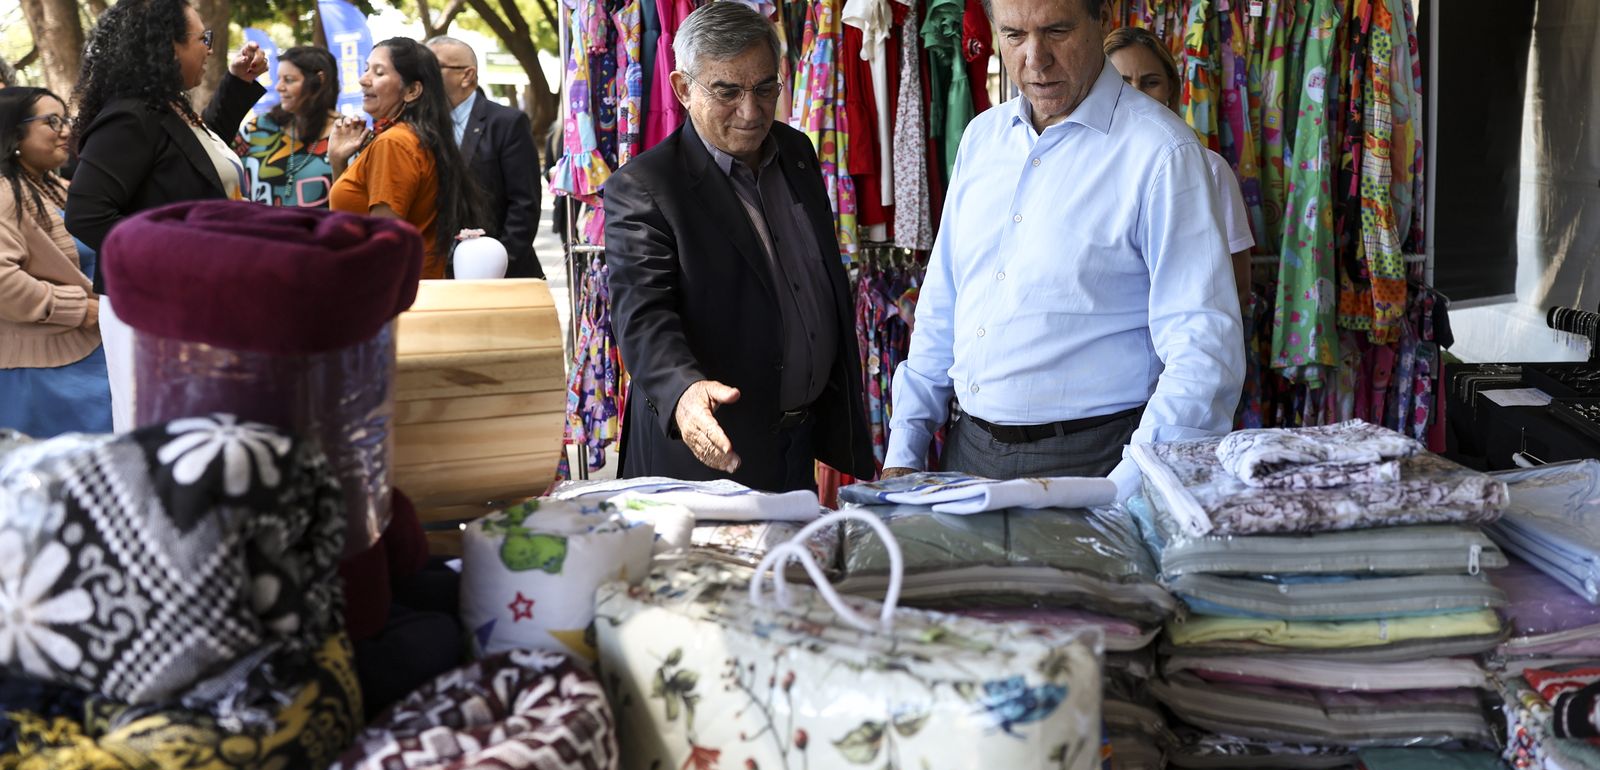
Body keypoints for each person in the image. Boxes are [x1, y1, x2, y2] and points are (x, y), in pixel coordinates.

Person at [881, 0, 1244, 499]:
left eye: (1056, 31)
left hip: (1097, 461)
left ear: (1103, 20)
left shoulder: (1162, 152)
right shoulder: (982, 139)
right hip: (966, 453)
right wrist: (904, 450)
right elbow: (943, 305)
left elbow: (1203, 351)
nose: (1036, 58)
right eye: (1014, 35)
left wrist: (1126, 489)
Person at [603, 1, 874, 492]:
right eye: (727, 91)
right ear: (682, 88)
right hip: (708, 456)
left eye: (765, 88)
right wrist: (683, 391)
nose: (751, 112)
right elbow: (642, 315)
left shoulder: (796, 152)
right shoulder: (644, 186)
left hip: (797, 441)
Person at [66, 0, 269, 433]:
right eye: (202, 39)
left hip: (190, 296)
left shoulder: (167, 107)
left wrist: (237, 84)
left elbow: (198, 162)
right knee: (168, 433)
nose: (210, 48)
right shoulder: (130, 115)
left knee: (204, 428)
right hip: (152, 304)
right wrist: (179, 255)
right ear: (168, 47)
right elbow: (86, 214)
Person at [1105, 26, 1254, 316]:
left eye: (1150, 82)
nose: (1136, 94)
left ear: (1170, 90)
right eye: (1121, 82)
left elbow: (1238, 287)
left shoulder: (1209, 169)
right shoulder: (1082, 167)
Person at [0, 87, 112, 437]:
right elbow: (3, 282)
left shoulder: (53, 186)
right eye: (52, 121)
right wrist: (77, 308)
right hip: (47, 371)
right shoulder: (5, 193)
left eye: (66, 120)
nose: (66, 131)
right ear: (14, 133)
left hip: (85, 350)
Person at [329, 37, 484, 280]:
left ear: (412, 91)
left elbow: (385, 241)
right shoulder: (409, 137)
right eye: (367, 69)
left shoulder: (394, 143)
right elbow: (353, 216)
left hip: (391, 289)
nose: (363, 79)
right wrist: (338, 161)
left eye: (379, 72)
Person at [425, 36, 543, 279]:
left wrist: (498, 264)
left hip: (497, 274)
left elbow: (524, 204)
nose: (423, 76)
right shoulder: (421, 126)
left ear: (467, 75)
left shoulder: (507, 123)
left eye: (433, 67)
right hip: (436, 275)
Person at [235, 45, 340, 208]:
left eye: (289, 80)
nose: (279, 87)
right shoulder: (257, 130)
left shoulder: (349, 136)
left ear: (320, 80)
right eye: (279, 79)